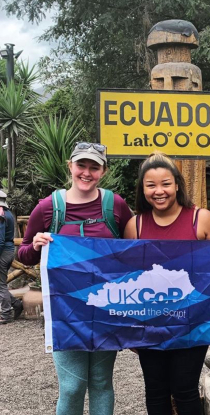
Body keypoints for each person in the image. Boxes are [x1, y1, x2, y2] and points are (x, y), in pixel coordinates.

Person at [124, 152, 210, 415]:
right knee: (155, 391)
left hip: (192, 320)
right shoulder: (135, 225)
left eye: (166, 183)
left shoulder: (201, 219)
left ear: (177, 185)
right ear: (142, 189)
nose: (159, 191)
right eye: (151, 185)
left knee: (184, 389)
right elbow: (129, 279)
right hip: (151, 322)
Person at [18, 142, 133, 415]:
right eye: (81, 165)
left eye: (94, 167)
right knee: (71, 386)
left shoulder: (115, 205)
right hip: (65, 313)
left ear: (103, 171)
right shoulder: (48, 207)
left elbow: (134, 249)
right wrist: (34, 245)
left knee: (102, 382)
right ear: (70, 166)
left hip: (106, 309)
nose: (86, 172)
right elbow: (23, 254)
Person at [0, 190, 23, 324]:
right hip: (8, 250)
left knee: (1, 285)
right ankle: (16, 303)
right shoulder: (7, 213)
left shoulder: (1, 215)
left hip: (3, 252)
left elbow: (0, 240)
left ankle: (5, 314)